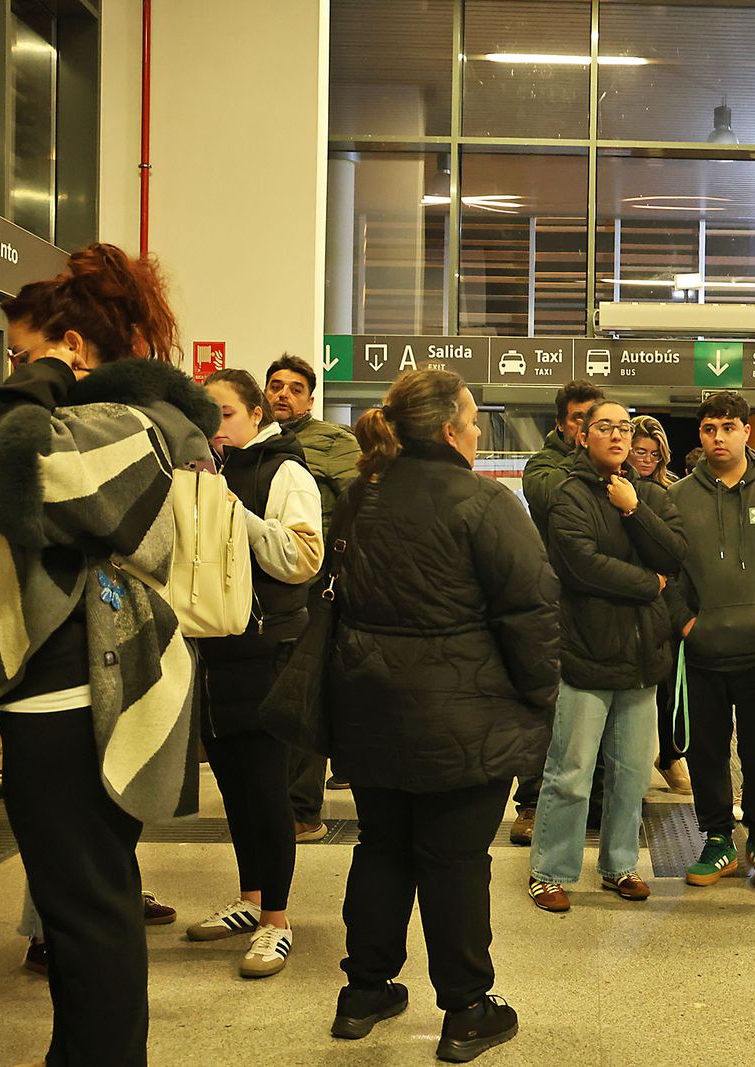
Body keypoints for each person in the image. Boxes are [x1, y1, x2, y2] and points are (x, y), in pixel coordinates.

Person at [0, 243, 216, 1066]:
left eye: (22, 354)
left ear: (74, 346)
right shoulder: (114, 419)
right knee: (88, 907)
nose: (12, 372)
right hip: (72, 697)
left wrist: (43, 371)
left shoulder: (121, 425)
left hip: (73, 702)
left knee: (87, 915)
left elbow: (10, 474)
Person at [328, 369, 559, 1062]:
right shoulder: (485, 502)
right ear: (451, 429)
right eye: (473, 417)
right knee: (454, 860)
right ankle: (465, 1009)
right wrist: (540, 693)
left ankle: (364, 991)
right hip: (464, 713)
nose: (480, 428)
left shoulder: (360, 495)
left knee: (381, 848)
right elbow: (530, 610)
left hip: (370, 705)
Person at [188, 369, 322, 978]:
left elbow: (301, 559)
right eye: (206, 414)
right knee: (234, 786)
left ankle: (277, 919)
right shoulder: (203, 469)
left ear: (254, 415)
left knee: (267, 788)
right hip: (214, 649)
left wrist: (231, 511)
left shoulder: (283, 470)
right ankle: (249, 898)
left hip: (268, 646)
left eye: (225, 413)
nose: (214, 425)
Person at [528, 402, 685, 912]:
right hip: (585, 653)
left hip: (642, 656)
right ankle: (550, 871)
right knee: (571, 773)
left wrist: (634, 510)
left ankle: (620, 865)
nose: (617, 435)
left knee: (631, 774)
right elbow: (581, 566)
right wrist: (648, 584)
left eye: (623, 427)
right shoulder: (568, 493)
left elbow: (675, 556)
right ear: (583, 436)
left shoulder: (650, 495)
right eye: (605, 427)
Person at [664, 392, 755, 893]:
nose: (718, 437)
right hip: (702, 651)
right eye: (709, 429)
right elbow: (666, 568)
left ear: (748, 432)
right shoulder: (678, 496)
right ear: (700, 435)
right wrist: (685, 623)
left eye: (728, 427)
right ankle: (718, 838)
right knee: (706, 750)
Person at [265, 353, 362, 830]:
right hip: (260, 585)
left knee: (303, 690)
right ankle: (271, 802)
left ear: (309, 399)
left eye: (295, 388)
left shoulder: (333, 442)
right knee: (268, 691)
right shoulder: (254, 441)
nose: (283, 394)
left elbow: (359, 503)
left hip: (312, 584)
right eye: (276, 386)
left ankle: (302, 810)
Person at [511, 379, 604, 845]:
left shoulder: (616, 465)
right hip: (553, 602)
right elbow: (551, 498)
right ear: (562, 424)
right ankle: (531, 803)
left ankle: (596, 801)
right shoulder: (543, 465)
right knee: (545, 705)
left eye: (594, 418)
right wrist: (590, 459)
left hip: (602, 601)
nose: (586, 427)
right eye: (578, 419)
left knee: (599, 703)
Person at [630, 413, 691, 796]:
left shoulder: (672, 492)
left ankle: (670, 755)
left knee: (671, 688)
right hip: (632, 594)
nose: (647, 460)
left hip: (669, 598)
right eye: (640, 451)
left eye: (654, 454)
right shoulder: (614, 488)